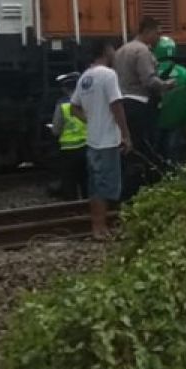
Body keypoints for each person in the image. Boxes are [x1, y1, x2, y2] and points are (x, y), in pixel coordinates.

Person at [71, 39, 133, 239]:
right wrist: (125, 134)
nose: (115, 52)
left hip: (92, 140)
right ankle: (100, 228)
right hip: (107, 140)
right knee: (107, 185)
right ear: (106, 50)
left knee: (95, 184)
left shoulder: (85, 77)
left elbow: (74, 107)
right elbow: (116, 105)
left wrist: (91, 120)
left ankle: (97, 226)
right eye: (113, 48)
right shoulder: (108, 75)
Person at [113, 17, 171, 161]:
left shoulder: (121, 50)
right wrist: (166, 85)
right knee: (143, 145)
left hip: (123, 101)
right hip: (140, 104)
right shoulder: (142, 51)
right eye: (157, 33)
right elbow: (148, 80)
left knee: (129, 144)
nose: (159, 37)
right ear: (147, 31)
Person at [153, 36, 186, 165]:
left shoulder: (150, 72)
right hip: (175, 124)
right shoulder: (184, 73)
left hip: (155, 122)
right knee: (172, 154)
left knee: (154, 154)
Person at [51, 72, 88, 201]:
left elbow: (56, 130)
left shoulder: (62, 105)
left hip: (68, 150)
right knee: (86, 181)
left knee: (69, 182)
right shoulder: (87, 101)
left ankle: (72, 208)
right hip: (86, 147)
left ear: (64, 88)